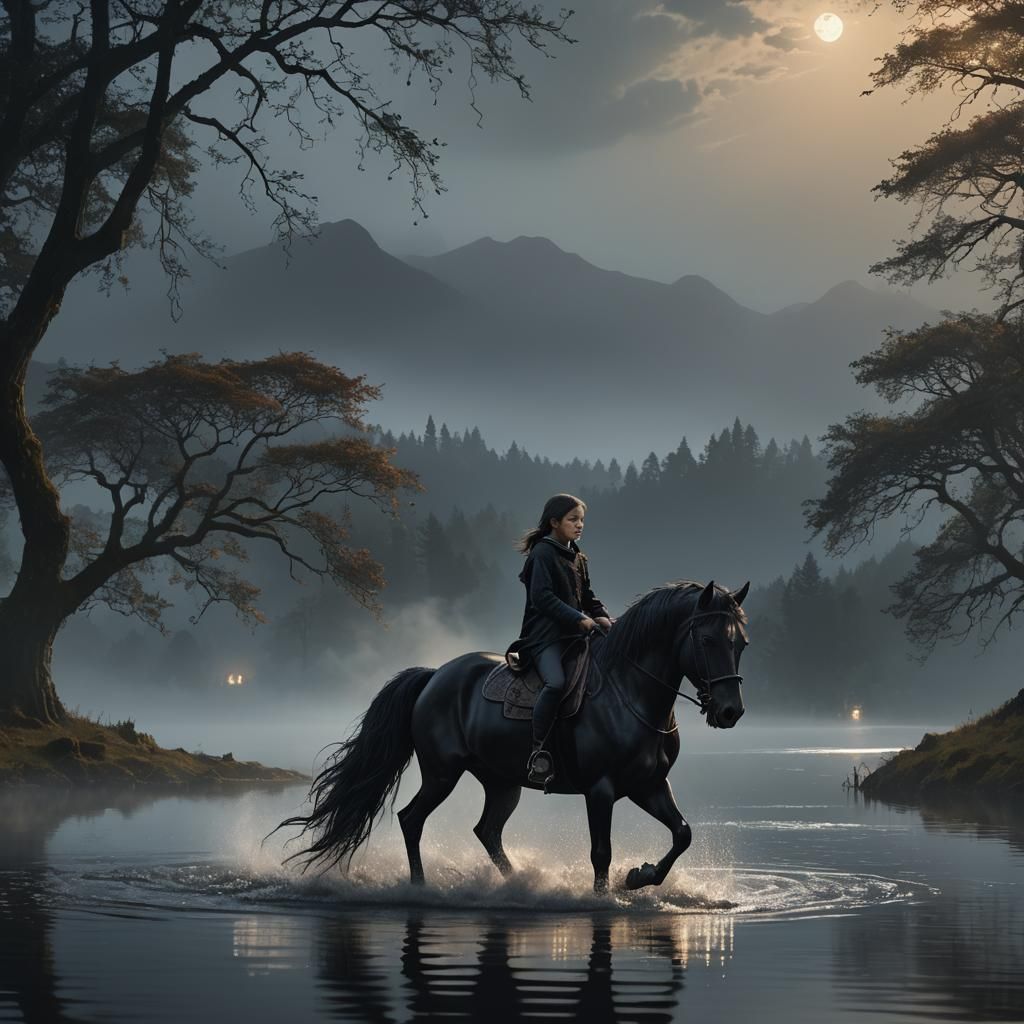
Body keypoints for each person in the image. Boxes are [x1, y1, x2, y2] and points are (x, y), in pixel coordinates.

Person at [516, 494, 613, 784]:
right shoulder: (542, 554)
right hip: (544, 639)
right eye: (573, 519)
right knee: (556, 683)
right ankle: (538, 751)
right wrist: (580, 619)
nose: (579, 524)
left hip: (574, 636)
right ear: (554, 522)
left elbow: (588, 596)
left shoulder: (577, 555)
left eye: (581, 519)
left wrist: (602, 615)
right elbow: (542, 598)